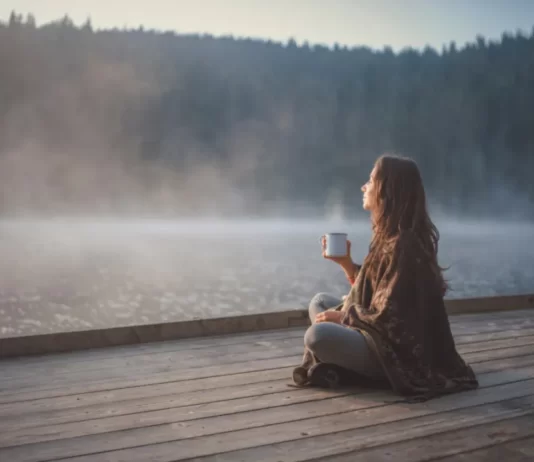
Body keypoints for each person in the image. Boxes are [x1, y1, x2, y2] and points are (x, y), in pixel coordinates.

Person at [292, 155, 479, 401]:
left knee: (318, 336)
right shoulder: (388, 237)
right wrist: (347, 265)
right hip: (376, 332)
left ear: (387, 190)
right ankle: (347, 360)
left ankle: (374, 373)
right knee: (320, 302)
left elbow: (393, 318)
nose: (364, 186)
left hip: (400, 353)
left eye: (370, 180)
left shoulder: (405, 245)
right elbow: (379, 290)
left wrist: (344, 317)